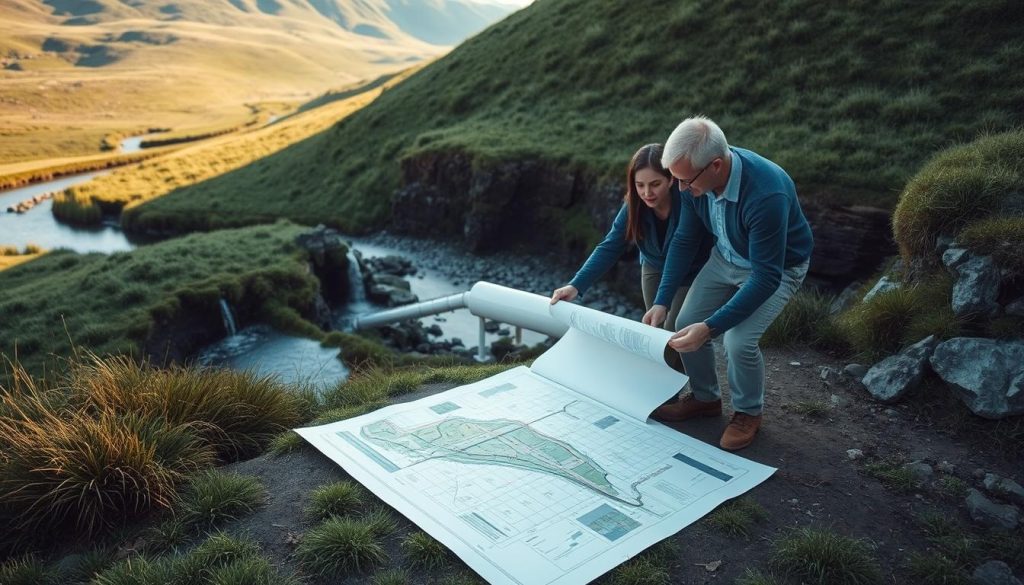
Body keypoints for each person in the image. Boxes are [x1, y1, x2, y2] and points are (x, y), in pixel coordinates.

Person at [643, 116, 813, 451]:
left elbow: (766, 277)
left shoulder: (766, 194)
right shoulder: (693, 180)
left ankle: (748, 412)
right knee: (682, 321)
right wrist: (662, 299)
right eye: (675, 179)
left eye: (685, 181)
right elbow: (685, 238)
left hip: (776, 267)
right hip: (725, 257)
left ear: (716, 165)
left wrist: (710, 328)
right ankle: (705, 399)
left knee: (738, 342)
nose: (680, 189)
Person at [551, 144, 710, 352]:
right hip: (652, 265)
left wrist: (662, 301)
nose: (647, 193)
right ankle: (664, 380)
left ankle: (695, 381)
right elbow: (610, 246)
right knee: (655, 329)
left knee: (676, 330)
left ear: (671, 179)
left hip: (691, 270)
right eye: (640, 185)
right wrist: (575, 286)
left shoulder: (689, 201)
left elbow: (681, 249)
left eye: (655, 184)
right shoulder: (633, 206)